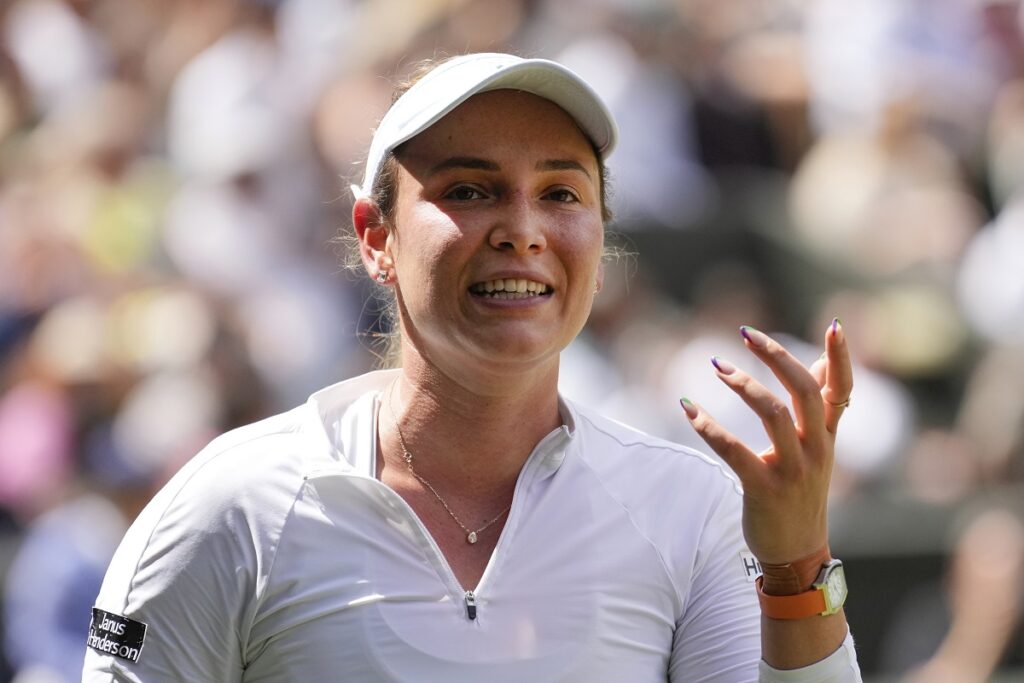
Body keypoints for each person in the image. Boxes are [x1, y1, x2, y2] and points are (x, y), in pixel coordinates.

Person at [83, 53, 861, 681]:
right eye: (469, 189)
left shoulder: (691, 511)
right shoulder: (230, 505)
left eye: (560, 191)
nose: (522, 229)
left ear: (601, 237)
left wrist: (796, 569)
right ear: (375, 237)